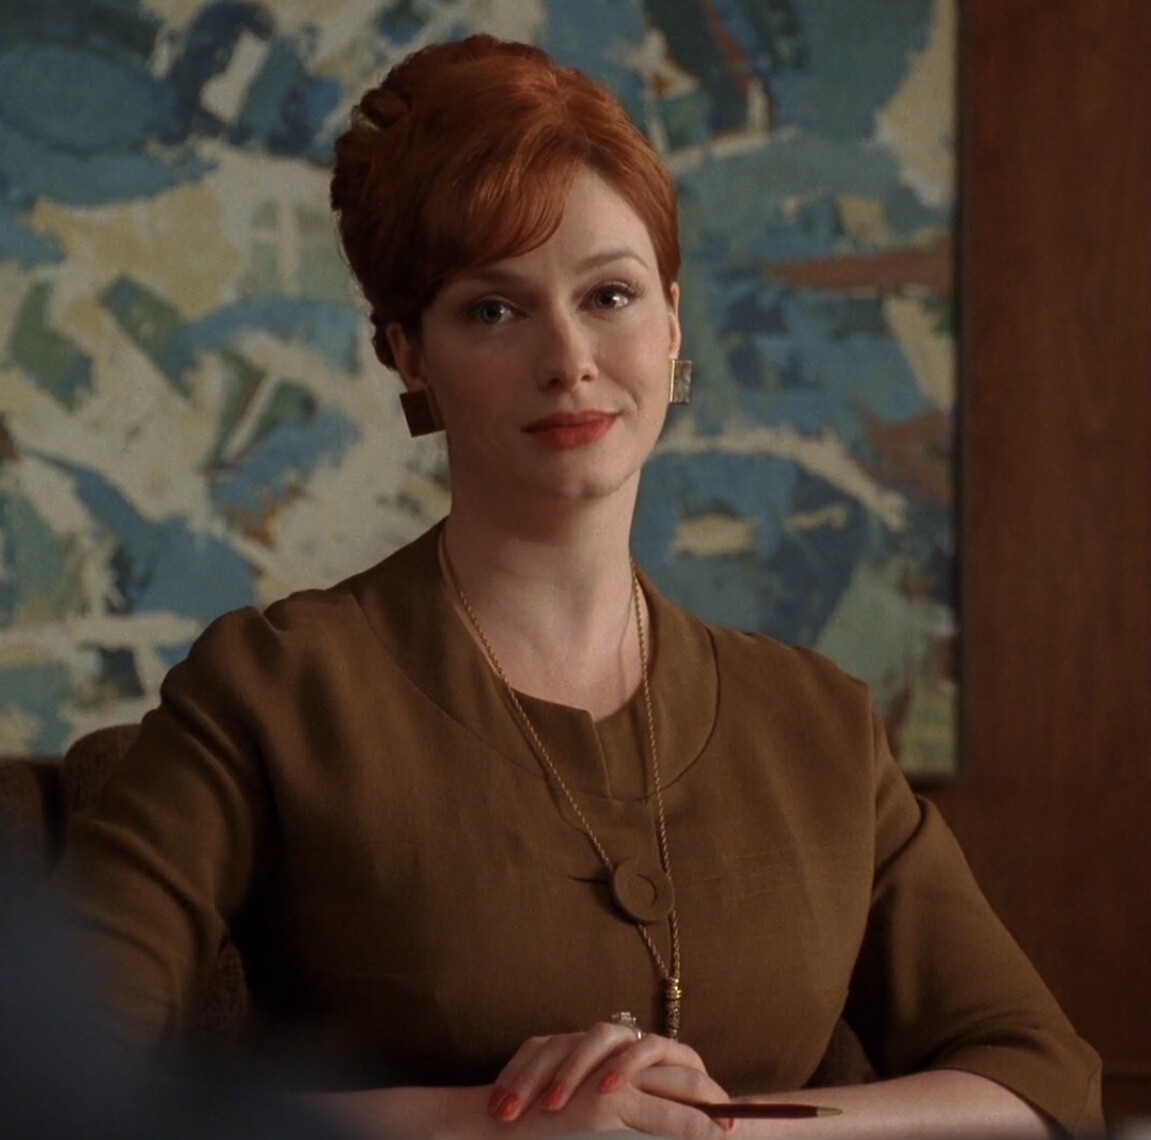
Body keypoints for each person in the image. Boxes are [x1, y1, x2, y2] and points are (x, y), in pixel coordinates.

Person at [54, 34, 1103, 1140]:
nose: (568, 359)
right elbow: (51, 1080)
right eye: (492, 310)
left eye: (608, 294)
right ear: (407, 353)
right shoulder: (273, 689)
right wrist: (492, 1124)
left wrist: (727, 1134)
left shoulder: (819, 725)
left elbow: (1043, 1080)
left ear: (672, 322)